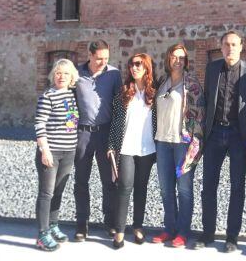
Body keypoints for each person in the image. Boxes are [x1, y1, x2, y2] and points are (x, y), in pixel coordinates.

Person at [199, 30, 246, 252]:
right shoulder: (212, 69)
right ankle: (207, 234)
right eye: (226, 44)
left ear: (241, 47)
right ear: (221, 46)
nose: (230, 48)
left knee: (237, 187)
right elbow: (206, 101)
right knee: (208, 187)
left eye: (234, 44)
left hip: (238, 136)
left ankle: (231, 237)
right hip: (215, 133)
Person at [151, 43, 205, 248]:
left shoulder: (191, 83)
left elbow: (200, 114)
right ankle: (169, 228)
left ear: (186, 61)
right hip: (162, 142)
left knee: (184, 189)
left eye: (182, 58)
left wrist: (196, 143)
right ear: (168, 58)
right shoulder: (162, 82)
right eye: (175, 57)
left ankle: (183, 232)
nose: (178, 61)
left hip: (183, 143)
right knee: (166, 189)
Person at [72, 39, 123, 241]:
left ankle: (109, 222)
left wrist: (116, 137)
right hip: (82, 134)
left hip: (105, 133)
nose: (103, 62)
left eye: (106, 58)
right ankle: (82, 225)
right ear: (90, 55)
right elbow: (69, 102)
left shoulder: (114, 74)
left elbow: (119, 105)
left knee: (109, 181)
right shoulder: (76, 74)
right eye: (99, 58)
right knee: (81, 181)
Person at [107, 53, 157, 249]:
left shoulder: (154, 93)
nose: (133, 68)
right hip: (126, 147)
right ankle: (119, 230)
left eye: (138, 64)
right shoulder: (123, 92)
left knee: (141, 189)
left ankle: (138, 226)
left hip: (147, 149)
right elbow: (115, 121)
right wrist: (111, 146)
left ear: (146, 67)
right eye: (131, 64)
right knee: (124, 187)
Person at [34, 58, 80, 251]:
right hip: (51, 152)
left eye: (66, 73)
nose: (62, 76)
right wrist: (44, 150)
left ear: (72, 77)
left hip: (69, 151)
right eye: (58, 73)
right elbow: (39, 124)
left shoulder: (71, 95)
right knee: (46, 193)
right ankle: (42, 234)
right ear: (54, 75)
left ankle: (53, 225)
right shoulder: (48, 96)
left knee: (58, 191)